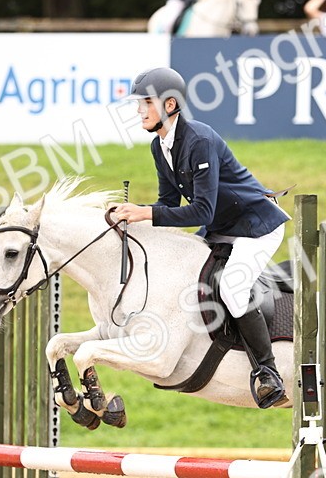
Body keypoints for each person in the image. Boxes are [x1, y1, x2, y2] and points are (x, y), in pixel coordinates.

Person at [109, 67, 290, 409]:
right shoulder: (158, 146)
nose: (139, 110)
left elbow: (202, 212)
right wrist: (131, 221)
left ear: (170, 104)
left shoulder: (200, 141)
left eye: (146, 102)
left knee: (233, 289)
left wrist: (144, 213)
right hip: (222, 225)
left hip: (255, 226)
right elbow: (167, 204)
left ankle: (268, 372)